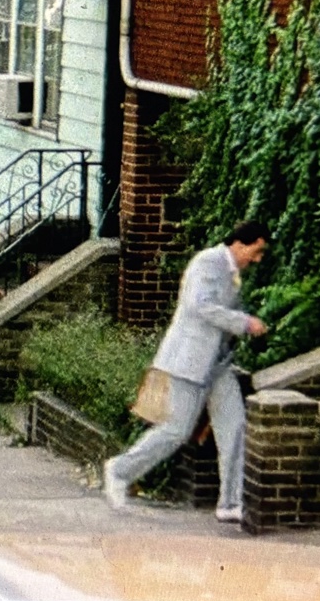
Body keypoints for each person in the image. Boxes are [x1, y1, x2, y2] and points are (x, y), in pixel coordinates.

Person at [103, 219, 270, 524]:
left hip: (217, 366)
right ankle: (120, 470)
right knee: (176, 431)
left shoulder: (232, 273)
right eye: (256, 251)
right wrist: (244, 322)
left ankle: (230, 503)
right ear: (239, 244)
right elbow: (199, 306)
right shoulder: (207, 262)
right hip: (188, 362)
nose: (257, 259)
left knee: (234, 428)